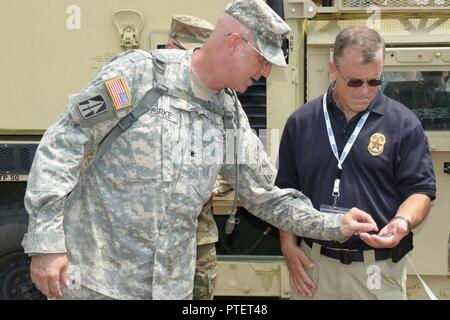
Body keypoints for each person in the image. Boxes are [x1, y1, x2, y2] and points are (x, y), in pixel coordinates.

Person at [22, 0, 377, 300]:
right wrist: (46, 243)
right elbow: (63, 145)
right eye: (263, 60)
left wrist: (334, 224)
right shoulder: (138, 76)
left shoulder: (227, 115)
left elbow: (264, 195)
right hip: (98, 283)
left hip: (170, 289)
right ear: (235, 42)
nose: (267, 72)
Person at [276, 26, 436, 300]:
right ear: (333, 70)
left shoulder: (403, 124)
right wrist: (288, 247)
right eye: (354, 82)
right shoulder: (301, 122)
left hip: (377, 269)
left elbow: (420, 190)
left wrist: (402, 221)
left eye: (374, 81)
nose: (365, 91)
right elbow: (286, 193)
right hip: (315, 268)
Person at [166, 14, 224, 300]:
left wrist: (213, 182)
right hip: (146, 242)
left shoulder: (215, 102)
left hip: (199, 238)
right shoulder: (142, 92)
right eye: (181, 53)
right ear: (168, 48)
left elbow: (234, 161)